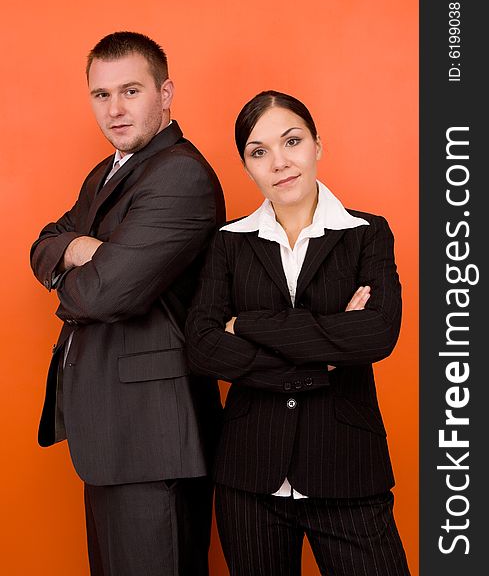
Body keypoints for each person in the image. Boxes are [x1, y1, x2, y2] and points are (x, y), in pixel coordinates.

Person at [185, 90, 410, 575]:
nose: (280, 163)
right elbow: (202, 346)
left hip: (347, 469)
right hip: (250, 477)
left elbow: (376, 334)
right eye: (259, 152)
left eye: (292, 142)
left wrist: (247, 324)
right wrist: (324, 352)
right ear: (246, 166)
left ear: (317, 145)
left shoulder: (367, 233)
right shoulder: (228, 242)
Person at [30, 31, 225, 576]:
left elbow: (105, 293)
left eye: (131, 91)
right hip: (114, 431)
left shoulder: (180, 175)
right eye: (101, 94)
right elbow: (44, 240)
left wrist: (75, 271)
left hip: (153, 436)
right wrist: (75, 247)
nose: (115, 110)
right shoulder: (109, 171)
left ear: (166, 93)